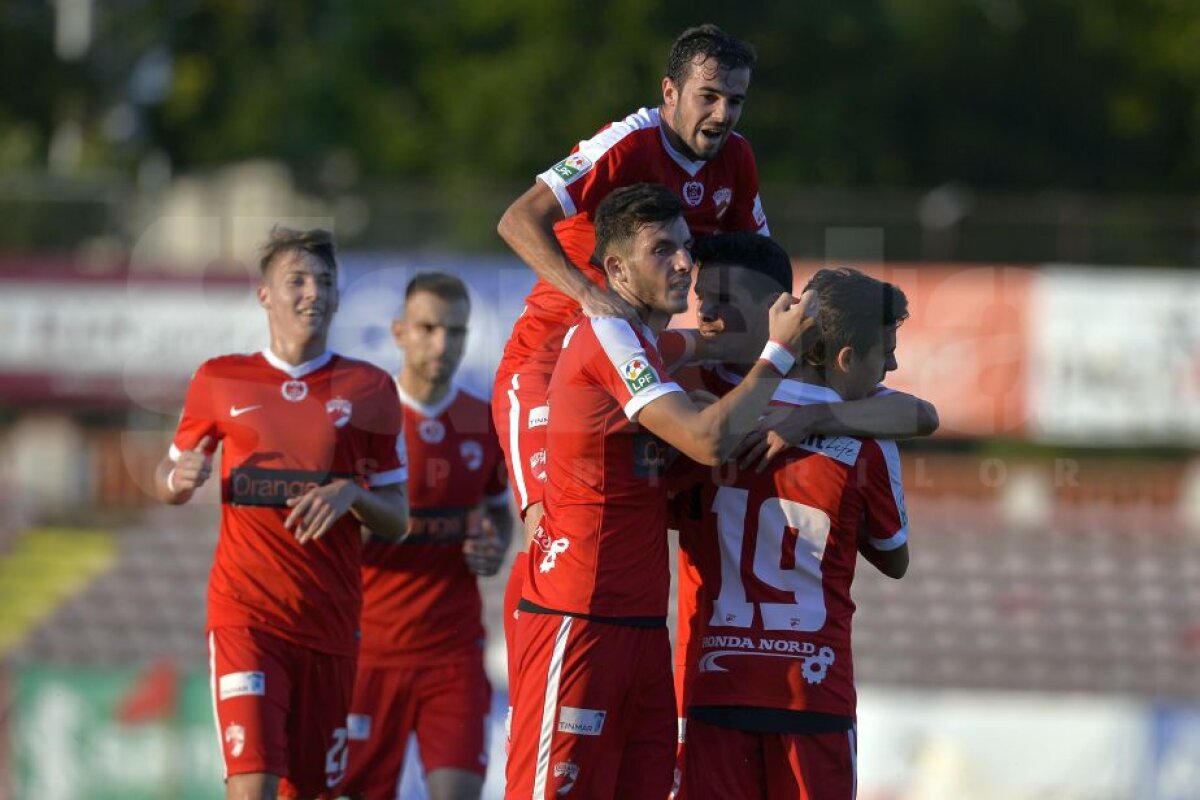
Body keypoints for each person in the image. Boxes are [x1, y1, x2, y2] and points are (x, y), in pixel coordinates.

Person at [504, 183, 819, 800]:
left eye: (684, 247)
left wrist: (822, 402)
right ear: (616, 270)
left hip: (642, 627)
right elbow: (706, 441)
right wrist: (780, 353)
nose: (682, 264)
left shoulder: (649, 344)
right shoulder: (606, 334)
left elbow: (715, 345)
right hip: (578, 618)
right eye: (661, 250)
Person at [493, 25, 768, 677]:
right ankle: (536, 700)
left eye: (734, 100)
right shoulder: (627, 144)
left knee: (665, 509)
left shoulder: (736, 161)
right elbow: (516, 219)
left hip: (643, 362)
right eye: (708, 96)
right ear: (670, 91)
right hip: (552, 366)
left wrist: (777, 359)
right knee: (553, 531)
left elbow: (759, 267)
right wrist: (590, 297)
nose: (722, 113)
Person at [154, 227, 410, 800]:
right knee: (253, 783)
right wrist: (177, 479)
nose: (312, 292)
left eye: (324, 282)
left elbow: (397, 517)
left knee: (311, 791)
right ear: (265, 294)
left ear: (338, 296)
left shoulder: (369, 388)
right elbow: (167, 475)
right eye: (297, 280)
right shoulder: (220, 378)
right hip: (245, 617)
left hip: (329, 623)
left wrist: (353, 495)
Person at [675, 267, 913, 800]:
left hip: (718, 684)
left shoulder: (718, 423)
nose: (893, 367)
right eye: (886, 353)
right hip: (814, 692)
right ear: (846, 360)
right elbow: (894, 557)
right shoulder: (871, 442)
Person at [342, 272, 512, 800]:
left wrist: (494, 546)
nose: (442, 344)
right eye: (429, 328)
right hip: (371, 650)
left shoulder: (481, 421)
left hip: (452, 653)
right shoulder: (364, 423)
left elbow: (498, 510)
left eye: (455, 332)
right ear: (399, 332)